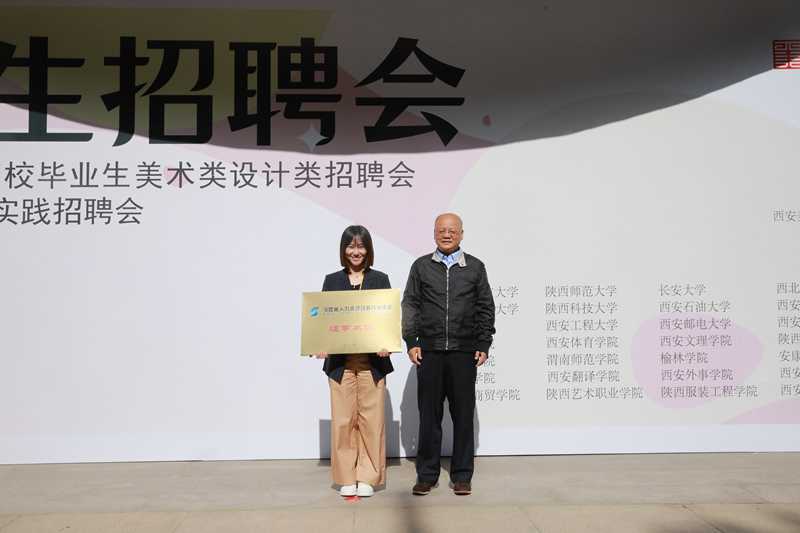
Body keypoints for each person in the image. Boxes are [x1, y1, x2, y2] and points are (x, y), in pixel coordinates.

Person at [401, 213, 495, 496]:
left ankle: (462, 475)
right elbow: (410, 305)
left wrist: (483, 343)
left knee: (463, 416)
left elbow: (485, 307)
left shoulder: (475, 267)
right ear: (434, 233)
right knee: (429, 417)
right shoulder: (421, 267)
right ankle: (427, 475)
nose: (446, 234)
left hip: (463, 353)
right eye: (441, 230)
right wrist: (411, 341)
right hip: (429, 352)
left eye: (452, 230)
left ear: (461, 234)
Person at [315, 225, 394, 498]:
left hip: (372, 364)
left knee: (372, 422)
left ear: (368, 249)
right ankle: (346, 477)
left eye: (361, 246)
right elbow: (322, 321)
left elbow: (388, 319)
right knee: (343, 421)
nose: (355, 252)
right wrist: (320, 345)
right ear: (343, 250)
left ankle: (368, 477)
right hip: (341, 365)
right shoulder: (332, 281)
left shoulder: (380, 279)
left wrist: (387, 343)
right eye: (351, 246)